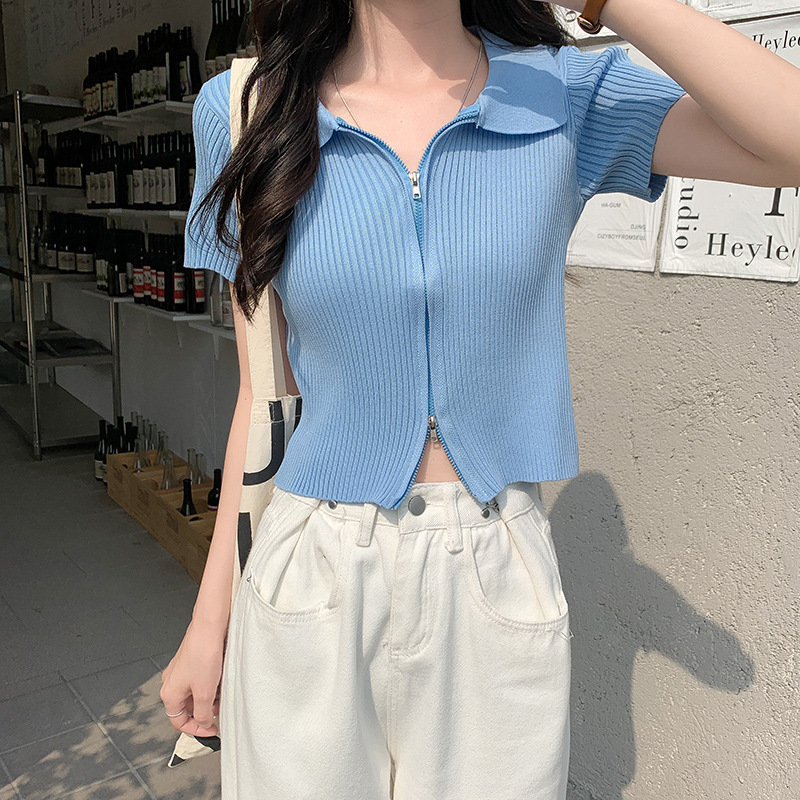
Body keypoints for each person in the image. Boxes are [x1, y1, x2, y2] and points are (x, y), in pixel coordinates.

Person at [159, 0, 800, 796]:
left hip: (495, 565)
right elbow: (262, 394)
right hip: (310, 568)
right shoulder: (249, 109)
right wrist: (209, 623)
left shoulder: (561, 93)